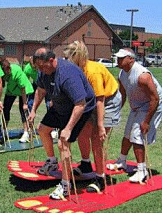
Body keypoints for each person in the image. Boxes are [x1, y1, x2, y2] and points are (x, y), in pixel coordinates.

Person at [28, 47, 96, 200]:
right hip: (60, 104)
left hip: (79, 108)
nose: (40, 70)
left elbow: (80, 104)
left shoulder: (67, 75)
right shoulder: (43, 71)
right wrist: (33, 111)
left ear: (51, 60)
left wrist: (68, 129)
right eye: (38, 67)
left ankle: (66, 186)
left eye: (42, 66)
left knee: (62, 142)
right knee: (43, 130)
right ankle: (52, 162)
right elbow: (40, 90)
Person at [63, 41, 122, 192]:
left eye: (68, 58)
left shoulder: (93, 72)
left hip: (108, 100)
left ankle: (100, 178)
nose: (66, 61)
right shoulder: (76, 70)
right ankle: (86, 164)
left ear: (77, 57)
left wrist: (101, 125)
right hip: (91, 99)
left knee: (97, 138)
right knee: (83, 131)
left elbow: (100, 100)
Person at [107, 48, 162, 183]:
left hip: (152, 105)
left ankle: (142, 171)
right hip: (138, 106)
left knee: (137, 136)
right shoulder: (122, 74)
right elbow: (122, 95)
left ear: (131, 59)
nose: (118, 60)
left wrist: (146, 121)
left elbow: (155, 99)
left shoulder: (143, 76)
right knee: (127, 134)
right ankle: (122, 161)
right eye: (117, 57)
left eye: (121, 58)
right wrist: (116, 111)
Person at [0, 59, 34, 143]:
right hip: (12, 90)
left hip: (24, 90)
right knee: (5, 109)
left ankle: (26, 133)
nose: (8, 71)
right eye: (6, 70)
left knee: (23, 110)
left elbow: (22, 88)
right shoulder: (1, 73)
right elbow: (0, 84)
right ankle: (4, 131)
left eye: (8, 69)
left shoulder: (16, 71)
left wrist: (25, 104)